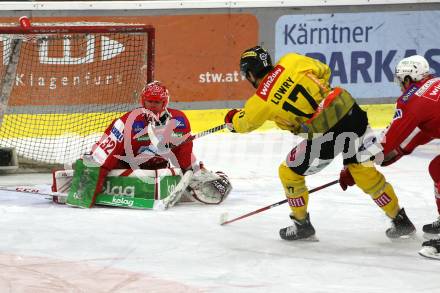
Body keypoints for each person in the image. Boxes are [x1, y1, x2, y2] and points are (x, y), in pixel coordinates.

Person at [224, 46, 415, 241]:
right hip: (351, 113)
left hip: (326, 135)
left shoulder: (260, 101)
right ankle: (400, 220)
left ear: (249, 73)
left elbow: (243, 124)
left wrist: (231, 119)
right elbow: (324, 70)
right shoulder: (291, 61)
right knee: (363, 172)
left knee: (288, 172)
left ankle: (301, 224)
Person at [67, 81, 231, 208]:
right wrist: (86, 192)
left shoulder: (179, 121)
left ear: (165, 103)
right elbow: (102, 156)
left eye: (156, 102)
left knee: (191, 169)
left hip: (157, 169)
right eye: (148, 102)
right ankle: (81, 171)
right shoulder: (126, 123)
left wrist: (193, 173)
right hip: (124, 165)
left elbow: (185, 158)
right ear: (142, 101)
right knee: (93, 163)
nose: (151, 106)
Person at [363, 55, 440, 244]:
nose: (400, 85)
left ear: (408, 78)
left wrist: (360, 161)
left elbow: (388, 141)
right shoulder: (435, 82)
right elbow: (430, 128)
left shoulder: (411, 99)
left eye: (400, 80)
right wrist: (401, 150)